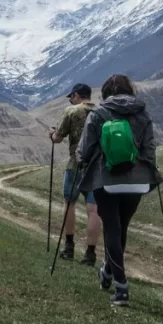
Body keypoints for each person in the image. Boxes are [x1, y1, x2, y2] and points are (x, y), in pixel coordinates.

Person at [77, 74, 163, 306]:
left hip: (106, 180)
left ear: (106, 93)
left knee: (112, 230)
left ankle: (122, 287)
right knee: (122, 228)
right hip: (136, 182)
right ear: (129, 90)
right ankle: (107, 271)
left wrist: (81, 160)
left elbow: (84, 152)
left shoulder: (98, 114)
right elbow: (150, 150)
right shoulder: (143, 114)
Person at [50, 83, 101, 265]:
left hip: (75, 165)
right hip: (96, 168)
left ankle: (69, 246)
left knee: (69, 203)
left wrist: (52, 134)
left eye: (71, 96)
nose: (71, 99)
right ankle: (90, 253)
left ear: (77, 95)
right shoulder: (101, 112)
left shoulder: (71, 111)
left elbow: (58, 138)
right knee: (94, 210)